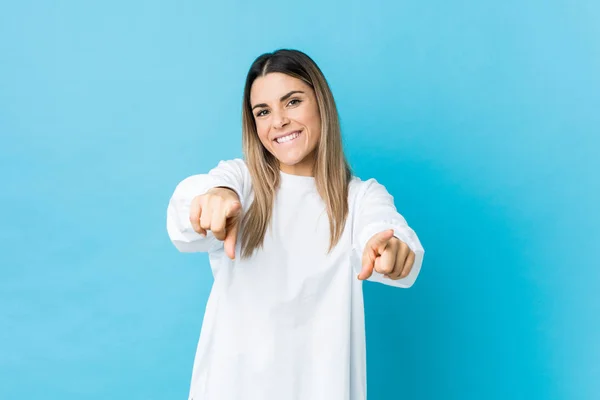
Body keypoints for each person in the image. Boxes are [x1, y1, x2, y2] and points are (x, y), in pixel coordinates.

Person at [166, 49, 425, 400]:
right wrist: (212, 199)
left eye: (292, 102)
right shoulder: (241, 182)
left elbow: (386, 232)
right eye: (263, 111)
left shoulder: (361, 198)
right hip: (232, 386)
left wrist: (391, 250)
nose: (278, 121)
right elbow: (187, 210)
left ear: (321, 103)